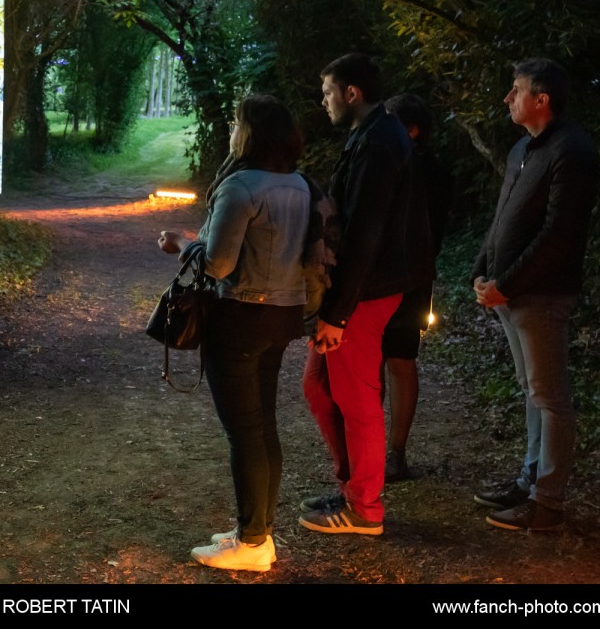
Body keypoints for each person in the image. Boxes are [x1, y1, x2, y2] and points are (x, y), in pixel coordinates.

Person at [157, 94, 309, 572]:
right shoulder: (300, 184)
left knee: (244, 433)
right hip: (283, 315)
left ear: (249, 133)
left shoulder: (240, 186)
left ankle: (252, 542)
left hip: (240, 317)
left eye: (235, 122)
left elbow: (219, 264)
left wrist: (181, 242)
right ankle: (258, 530)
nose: (231, 129)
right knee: (263, 427)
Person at [301, 53, 429, 535]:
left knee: (357, 398)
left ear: (351, 93)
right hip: (361, 289)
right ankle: (353, 484)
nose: (324, 101)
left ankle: (364, 507)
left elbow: (366, 232)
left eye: (328, 91)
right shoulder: (372, 135)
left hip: (366, 292)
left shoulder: (379, 141)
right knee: (319, 386)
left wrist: (337, 313)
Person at [471, 58, 600, 532]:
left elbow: (559, 233)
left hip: (541, 295)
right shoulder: (522, 149)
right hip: (510, 294)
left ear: (541, 99)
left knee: (550, 397)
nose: (508, 97)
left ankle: (548, 502)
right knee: (533, 391)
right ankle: (531, 480)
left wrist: (507, 283)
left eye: (516, 89)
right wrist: (482, 270)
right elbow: (503, 215)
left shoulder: (572, 150)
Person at [381, 94, 453, 482]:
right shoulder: (428, 168)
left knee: (396, 359)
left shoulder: (411, 168)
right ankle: (389, 451)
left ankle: (392, 452)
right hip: (413, 277)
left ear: (411, 130)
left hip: (399, 278)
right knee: (399, 360)